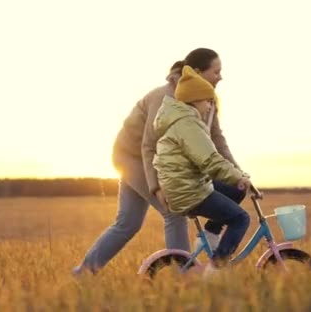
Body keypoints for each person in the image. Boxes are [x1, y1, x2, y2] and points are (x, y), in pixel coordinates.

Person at [72, 48, 244, 275]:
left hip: (159, 162)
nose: (220, 76)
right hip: (134, 158)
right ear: (198, 72)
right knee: (174, 211)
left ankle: (82, 273)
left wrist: (239, 173)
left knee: (127, 224)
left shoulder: (206, 101)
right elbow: (148, 147)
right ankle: (183, 274)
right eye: (216, 71)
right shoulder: (165, 98)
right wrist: (156, 186)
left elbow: (217, 141)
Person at [152, 65, 252, 276]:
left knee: (237, 191)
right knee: (241, 219)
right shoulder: (188, 124)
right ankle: (215, 270)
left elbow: (209, 162)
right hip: (188, 191)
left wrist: (238, 180)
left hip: (188, 183)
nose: (209, 106)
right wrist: (238, 175)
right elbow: (211, 161)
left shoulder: (182, 120)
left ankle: (209, 234)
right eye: (208, 100)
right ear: (195, 100)